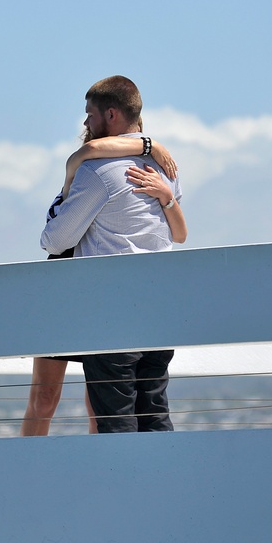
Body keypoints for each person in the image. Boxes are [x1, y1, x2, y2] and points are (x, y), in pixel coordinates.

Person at [35, 75, 186, 434]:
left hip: (110, 309)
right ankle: (161, 472)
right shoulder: (165, 168)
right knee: (154, 412)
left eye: (90, 113)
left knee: (116, 420)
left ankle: (123, 475)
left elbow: (54, 241)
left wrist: (68, 182)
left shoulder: (96, 172)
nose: (86, 121)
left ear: (112, 114)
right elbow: (174, 235)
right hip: (159, 307)